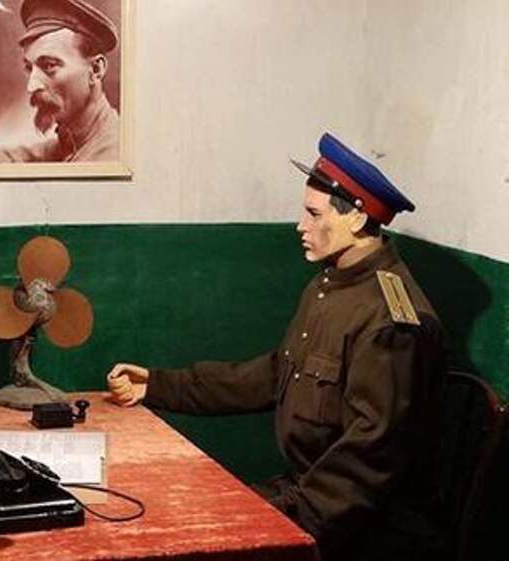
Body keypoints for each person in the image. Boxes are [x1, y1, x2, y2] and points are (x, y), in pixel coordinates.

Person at [105, 134, 449, 561]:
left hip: (363, 526)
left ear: (357, 218)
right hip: (309, 492)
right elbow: (274, 375)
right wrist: (159, 385)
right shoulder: (331, 287)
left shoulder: (391, 322)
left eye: (313, 214)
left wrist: (280, 523)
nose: (300, 226)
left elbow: (370, 457)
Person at [0, 0, 120, 163]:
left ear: (95, 69)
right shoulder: (71, 141)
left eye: (49, 65)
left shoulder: (108, 156)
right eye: (29, 68)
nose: (31, 86)